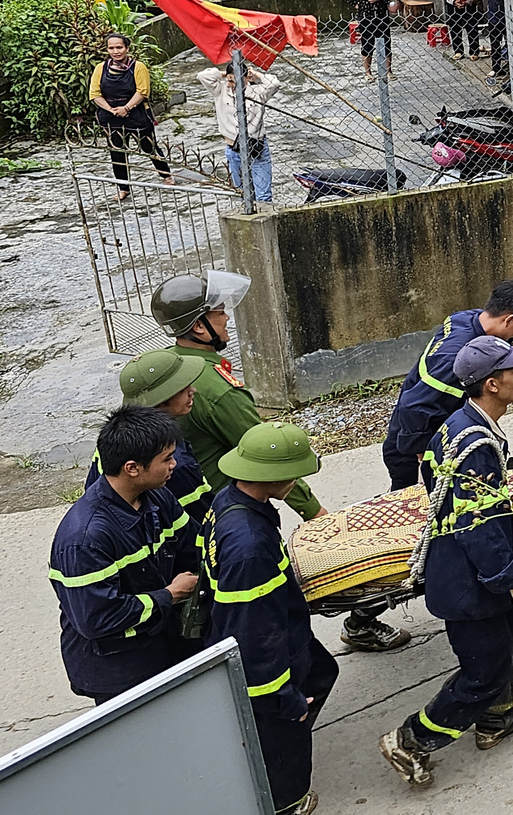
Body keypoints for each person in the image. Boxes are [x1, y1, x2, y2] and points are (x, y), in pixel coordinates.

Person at [151, 273, 414, 653]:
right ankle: (356, 626)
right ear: (199, 327)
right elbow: (268, 455)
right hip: (232, 507)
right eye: (219, 312)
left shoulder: (172, 368)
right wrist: (315, 512)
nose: (228, 318)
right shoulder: (216, 387)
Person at [380, 336, 513, 787]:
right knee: (484, 672)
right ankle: (411, 739)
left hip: (471, 570)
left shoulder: (461, 424)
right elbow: (478, 525)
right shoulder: (474, 445)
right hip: (470, 583)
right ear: (492, 384)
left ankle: (500, 720)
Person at [204, 422, 337, 815]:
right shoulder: (250, 546)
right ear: (273, 476)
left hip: (283, 628)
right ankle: (286, 802)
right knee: (285, 730)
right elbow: (255, 633)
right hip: (272, 657)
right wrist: (281, 696)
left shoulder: (228, 501)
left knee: (322, 672)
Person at [378, 276, 513, 493]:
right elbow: (412, 408)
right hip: (410, 443)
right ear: (509, 320)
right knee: (411, 509)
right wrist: (425, 459)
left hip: (439, 429)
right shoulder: (453, 361)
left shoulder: (471, 319)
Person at [49, 405, 201, 704]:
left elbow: (192, 544)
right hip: (118, 670)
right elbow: (98, 619)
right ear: (132, 467)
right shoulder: (85, 539)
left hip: (160, 648)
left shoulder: (157, 496)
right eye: (166, 459)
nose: (174, 465)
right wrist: (169, 595)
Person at [84, 349, 213, 523]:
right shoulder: (175, 464)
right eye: (182, 387)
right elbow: (202, 517)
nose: (192, 390)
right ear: (161, 398)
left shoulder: (118, 434)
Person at [89, 33, 175, 200]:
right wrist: (111, 109)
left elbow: (143, 91)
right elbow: (95, 93)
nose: (115, 51)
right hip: (111, 116)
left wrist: (126, 108)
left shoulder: (138, 67)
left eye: (119, 47)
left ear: (127, 48)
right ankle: (123, 187)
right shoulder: (101, 68)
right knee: (117, 152)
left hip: (135, 114)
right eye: (111, 48)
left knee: (149, 147)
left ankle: (166, 175)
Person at [201, 64, 277, 204]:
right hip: (233, 148)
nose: (231, 85)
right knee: (243, 194)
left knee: (263, 197)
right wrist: (227, 74)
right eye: (230, 81)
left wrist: (255, 74)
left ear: (246, 79)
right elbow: (203, 76)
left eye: (235, 81)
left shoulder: (257, 92)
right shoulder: (221, 90)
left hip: (256, 147)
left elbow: (275, 83)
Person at [338, 0, 397, 81]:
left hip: (381, 15)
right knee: (367, 43)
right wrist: (355, 3)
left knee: (386, 43)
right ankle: (368, 72)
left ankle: (389, 71)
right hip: (365, 16)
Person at [484, 0, 509, 78]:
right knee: (495, 44)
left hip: (507, 17)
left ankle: (512, 66)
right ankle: (496, 68)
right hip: (493, 17)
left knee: (511, 42)